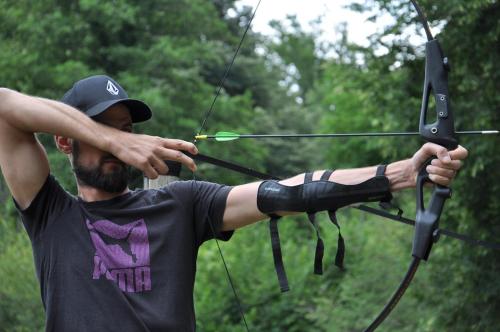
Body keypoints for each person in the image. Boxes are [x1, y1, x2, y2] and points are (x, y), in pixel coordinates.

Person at [0, 75, 468, 331]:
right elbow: (4, 103)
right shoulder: (51, 213)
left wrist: (405, 173)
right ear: (66, 141)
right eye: (105, 128)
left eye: (128, 129)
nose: (122, 139)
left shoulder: (179, 204)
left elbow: (289, 191)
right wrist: (116, 143)